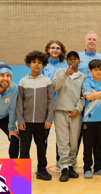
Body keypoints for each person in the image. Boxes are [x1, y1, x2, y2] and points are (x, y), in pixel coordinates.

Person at [16, 51, 55, 180]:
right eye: (34, 62)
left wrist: (49, 119)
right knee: (24, 147)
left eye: (39, 63)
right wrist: (20, 120)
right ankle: (23, 171)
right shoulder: (23, 81)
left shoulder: (47, 81)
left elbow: (51, 101)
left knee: (42, 147)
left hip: (42, 122)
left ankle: (42, 169)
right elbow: (19, 102)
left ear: (43, 65)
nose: (36, 65)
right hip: (25, 122)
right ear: (28, 64)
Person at [52, 51, 86, 182]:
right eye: (70, 60)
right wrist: (65, 75)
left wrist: (78, 109)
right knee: (62, 140)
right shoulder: (60, 72)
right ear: (67, 62)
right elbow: (54, 87)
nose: (72, 62)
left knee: (74, 141)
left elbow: (84, 96)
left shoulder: (83, 77)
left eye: (75, 59)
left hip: (75, 113)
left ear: (79, 61)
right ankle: (64, 167)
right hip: (60, 111)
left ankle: (71, 164)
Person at [82, 59, 101, 179]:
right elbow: (88, 96)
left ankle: (98, 168)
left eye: (100, 69)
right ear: (90, 71)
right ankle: (87, 169)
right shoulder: (87, 82)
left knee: (98, 146)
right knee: (88, 146)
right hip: (88, 120)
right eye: (95, 69)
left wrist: (97, 93)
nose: (98, 71)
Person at [42, 40, 68, 170]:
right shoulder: (42, 65)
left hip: (61, 105)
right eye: (52, 48)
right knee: (43, 137)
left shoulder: (65, 65)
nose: (55, 50)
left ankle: (60, 161)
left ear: (61, 51)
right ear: (48, 50)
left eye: (58, 48)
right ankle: (42, 164)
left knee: (61, 136)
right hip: (45, 105)